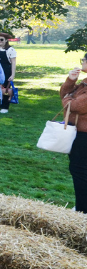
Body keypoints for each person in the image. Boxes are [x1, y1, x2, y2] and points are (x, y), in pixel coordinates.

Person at [60, 56, 87, 212]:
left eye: (83, 59)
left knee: (79, 170)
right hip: (78, 132)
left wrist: (67, 99)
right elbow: (63, 94)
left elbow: (76, 105)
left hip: (84, 135)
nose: (81, 62)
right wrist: (70, 81)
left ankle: (83, 210)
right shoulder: (84, 82)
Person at [0, 34, 18, 114]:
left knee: (5, 89)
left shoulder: (10, 50)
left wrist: (12, 75)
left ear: (6, 40)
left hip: (6, 71)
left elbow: (13, 63)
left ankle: (5, 106)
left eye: (1, 39)